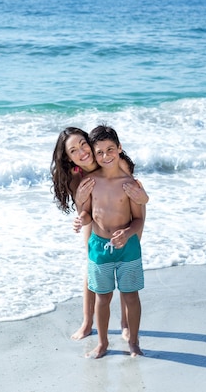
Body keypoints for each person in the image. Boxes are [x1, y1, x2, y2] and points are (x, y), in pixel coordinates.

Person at [50, 127, 147, 341]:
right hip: (94, 216)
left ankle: (125, 322)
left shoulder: (111, 158)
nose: (82, 152)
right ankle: (87, 322)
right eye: (73, 150)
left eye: (83, 144)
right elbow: (83, 210)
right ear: (68, 158)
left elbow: (133, 190)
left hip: (128, 211)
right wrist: (80, 209)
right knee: (92, 263)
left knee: (124, 262)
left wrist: (143, 199)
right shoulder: (77, 177)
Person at [77, 124, 145, 358]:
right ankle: (102, 343)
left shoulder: (129, 183)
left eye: (110, 149)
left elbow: (137, 219)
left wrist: (127, 233)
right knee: (102, 297)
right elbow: (86, 212)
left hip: (128, 248)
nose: (106, 156)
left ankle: (134, 342)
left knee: (131, 295)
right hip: (99, 246)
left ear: (119, 148)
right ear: (94, 156)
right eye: (100, 152)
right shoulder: (90, 181)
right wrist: (80, 220)